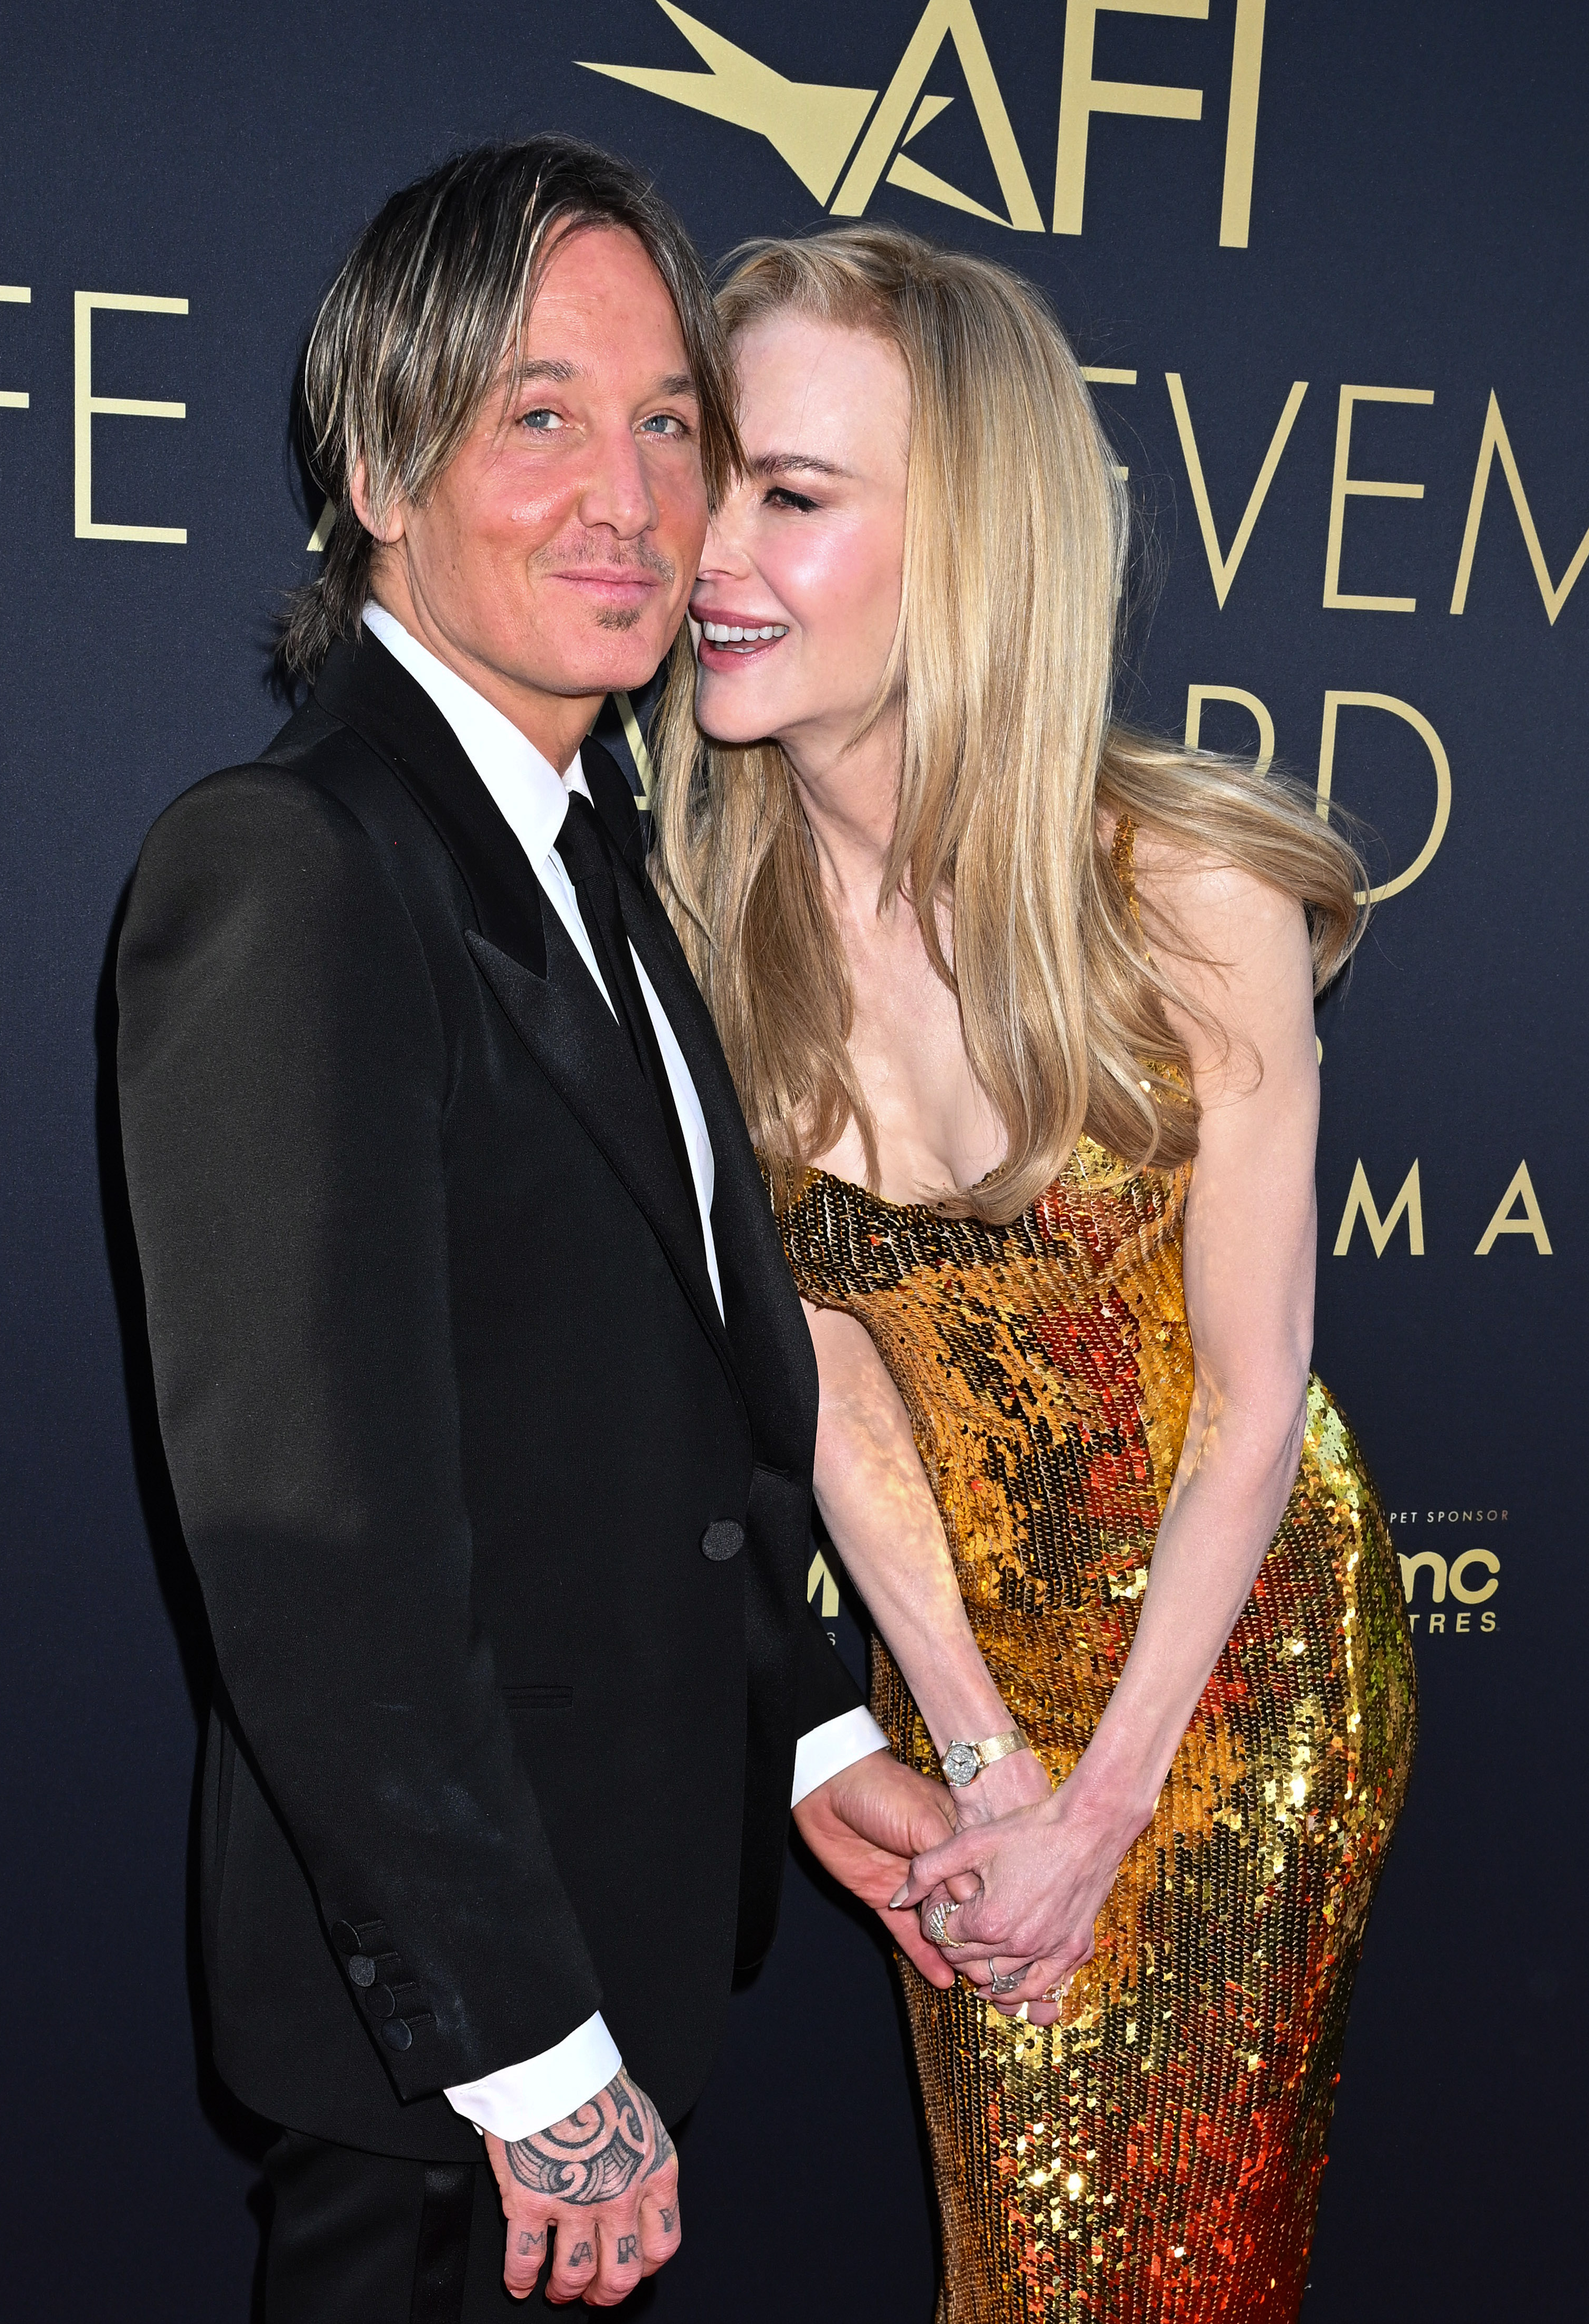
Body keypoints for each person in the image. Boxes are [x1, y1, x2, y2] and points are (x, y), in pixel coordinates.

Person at [115, 144, 957, 2323]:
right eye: (537, 416)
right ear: (384, 467)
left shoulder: (588, 840)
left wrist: (805, 1727)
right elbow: (312, 1542)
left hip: (615, 1952)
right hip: (457, 2072)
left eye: (667, 422)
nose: (631, 498)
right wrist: (519, 2051)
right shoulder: (295, 866)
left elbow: (654, 1375)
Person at [651, 223, 1418, 2321]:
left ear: (969, 544)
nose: (706, 547)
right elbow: (830, 1388)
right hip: (966, 1668)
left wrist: (1106, 1805)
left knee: (1178, 2272)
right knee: (1011, 2262)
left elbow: (1254, 1405)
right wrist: (989, 1760)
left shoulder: (1186, 900)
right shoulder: (698, 949)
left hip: (1237, 1661)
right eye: (705, 472)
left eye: (791, 496)